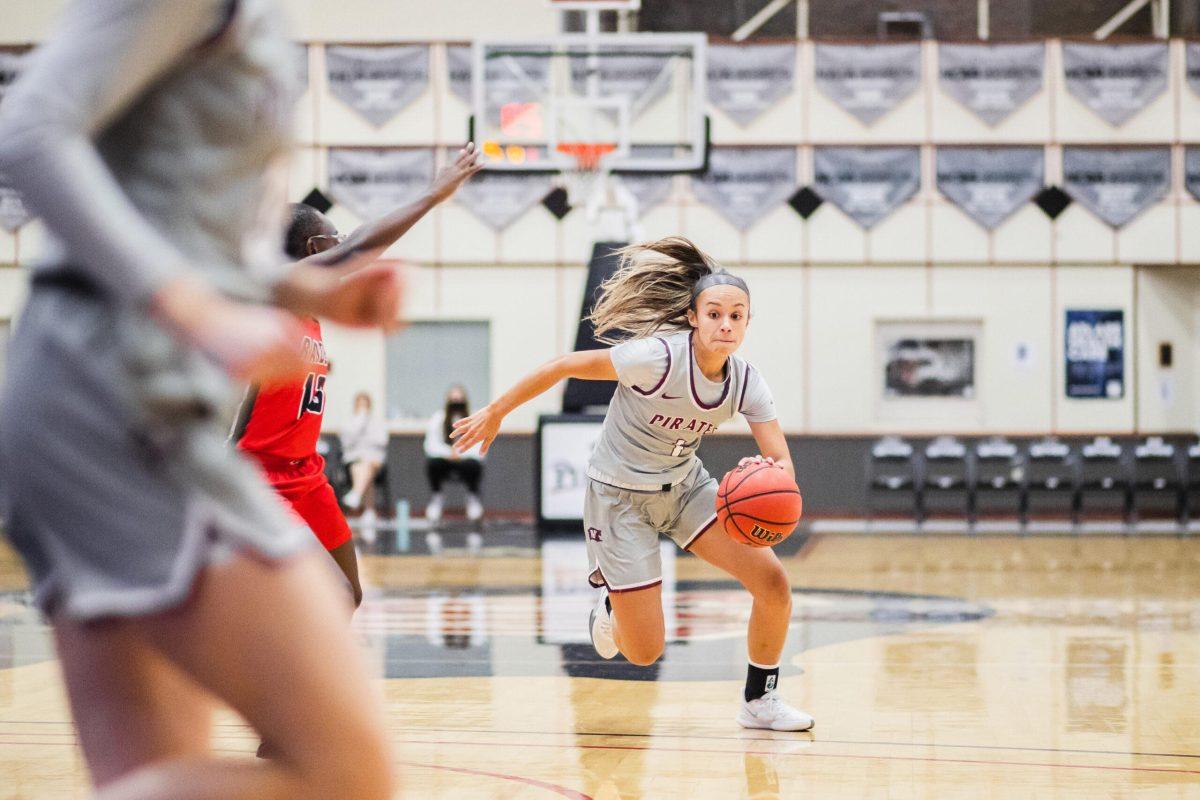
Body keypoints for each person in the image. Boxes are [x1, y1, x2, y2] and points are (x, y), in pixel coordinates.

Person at [0, 2, 400, 797]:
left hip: (123, 400)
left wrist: (295, 287)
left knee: (150, 775)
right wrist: (194, 308)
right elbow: (30, 129)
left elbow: (187, 229)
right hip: (104, 395)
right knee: (345, 772)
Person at [452, 237, 814, 732]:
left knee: (773, 583)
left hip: (685, 488)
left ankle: (760, 700)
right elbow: (563, 366)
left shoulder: (747, 382)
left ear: (748, 322)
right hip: (618, 498)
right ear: (692, 316)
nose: (725, 324)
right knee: (644, 653)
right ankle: (607, 601)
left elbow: (781, 461)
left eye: (736, 315)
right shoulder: (655, 358)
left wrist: (772, 484)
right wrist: (496, 412)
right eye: (714, 314)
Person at [233, 145, 481, 609]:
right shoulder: (279, 297)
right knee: (329, 596)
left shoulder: (311, 312)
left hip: (306, 473)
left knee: (351, 595)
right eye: (334, 237)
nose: (341, 242)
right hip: (259, 477)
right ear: (313, 251)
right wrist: (432, 194)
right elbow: (359, 247)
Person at [423, 384, 485, 523]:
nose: (456, 404)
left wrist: (460, 453)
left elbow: (479, 447)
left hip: (466, 460)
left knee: (474, 465)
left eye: (459, 400)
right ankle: (436, 498)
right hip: (445, 460)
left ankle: (472, 498)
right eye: (453, 400)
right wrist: (449, 453)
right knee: (433, 464)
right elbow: (430, 445)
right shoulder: (438, 418)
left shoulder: (474, 418)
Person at [340, 391, 390, 516]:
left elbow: (382, 440)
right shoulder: (349, 423)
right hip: (355, 461)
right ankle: (369, 510)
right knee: (364, 469)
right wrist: (360, 423)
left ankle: (356, 494)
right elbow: (347, 441)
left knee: (366, 465)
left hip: (374, 460)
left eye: (365, 405)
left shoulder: (376, 423)